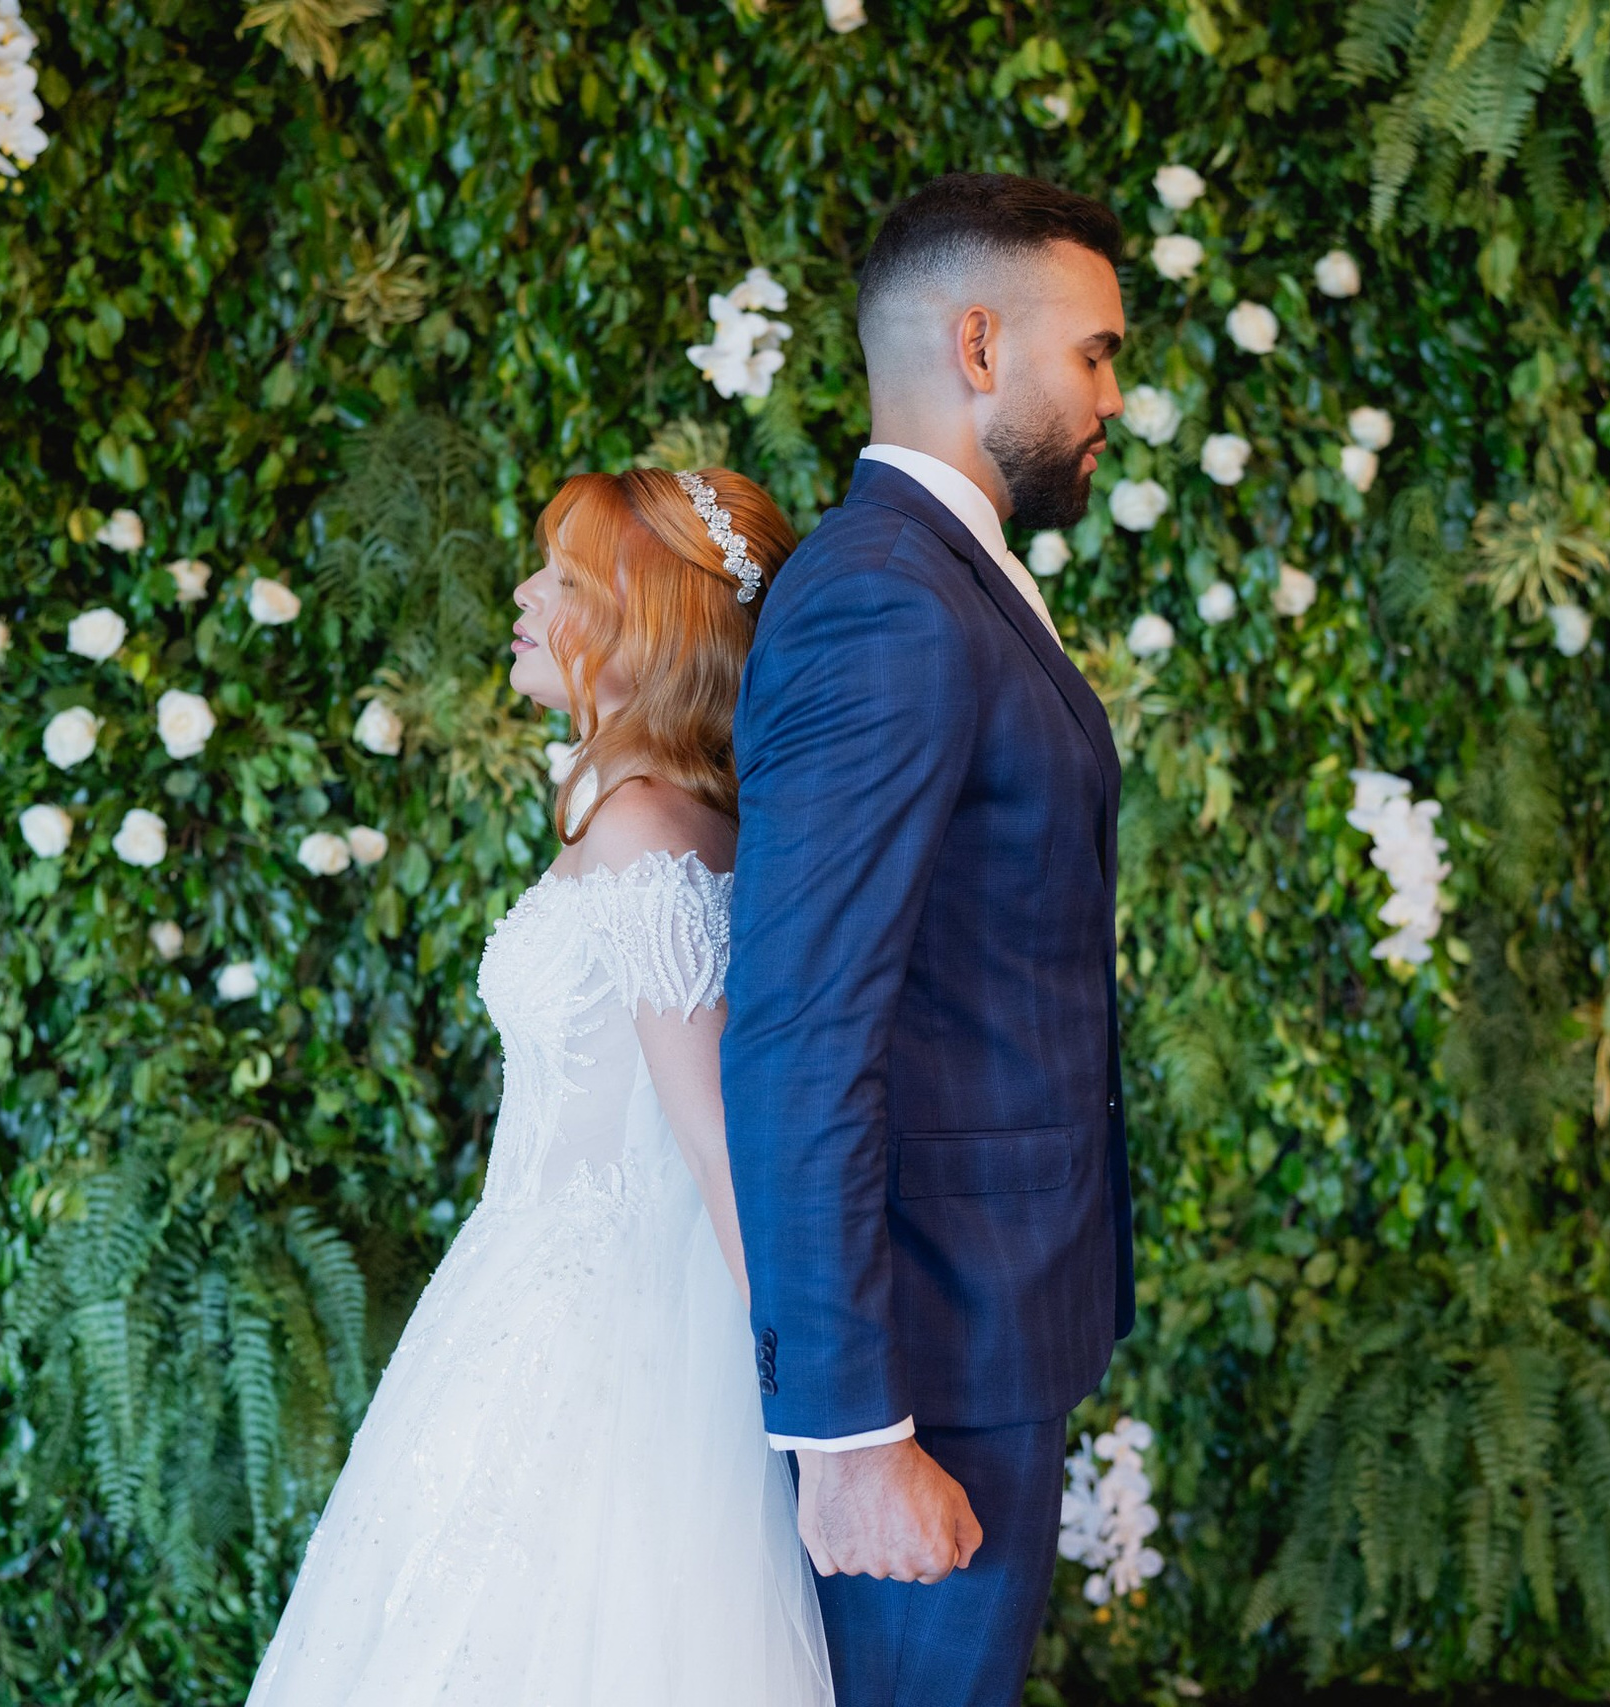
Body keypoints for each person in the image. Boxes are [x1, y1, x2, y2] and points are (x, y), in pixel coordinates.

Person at [242, 465, 834, 1706]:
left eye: (562, 579)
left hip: (604, 1336)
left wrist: (817, 1420)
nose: (522, 594)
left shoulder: (642, 828)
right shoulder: (649, 812)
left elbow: (725, 1148)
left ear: (649, 626)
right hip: (531, 1295)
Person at [723, 172, 1133, 1707]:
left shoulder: (943, 577)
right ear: (978, 342)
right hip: (925, 1368)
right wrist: (850, 1434)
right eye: (1093, 351)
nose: (1112, 394)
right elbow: (799, 1025)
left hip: (983, 1330)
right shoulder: (888, 600)